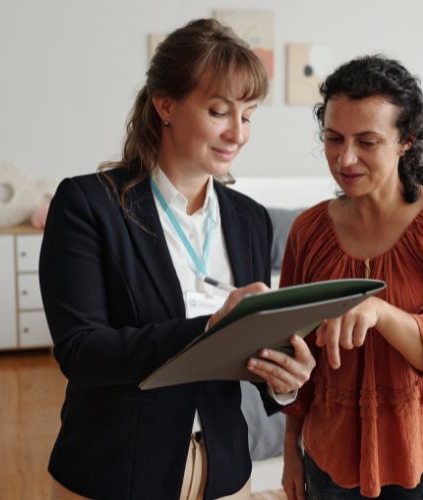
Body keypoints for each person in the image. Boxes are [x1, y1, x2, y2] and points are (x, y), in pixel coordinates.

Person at [39, 19, 315, 500]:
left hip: (226, 474)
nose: (237, 133)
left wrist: (283, 380)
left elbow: (248, 355)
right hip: (117, 472)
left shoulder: (250, 219)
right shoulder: (88, 204)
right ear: (165, 105)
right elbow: (80, 352)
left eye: (248, 116)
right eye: (218, 111)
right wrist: (208, 330)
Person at [280, 55, 423, 499]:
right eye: (333, 138)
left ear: (407, 140)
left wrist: (381, 313)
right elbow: (295, 352)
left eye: (367, 141)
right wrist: (292, 448)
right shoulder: (308, 231)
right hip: (328, 460)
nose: (345, 158)